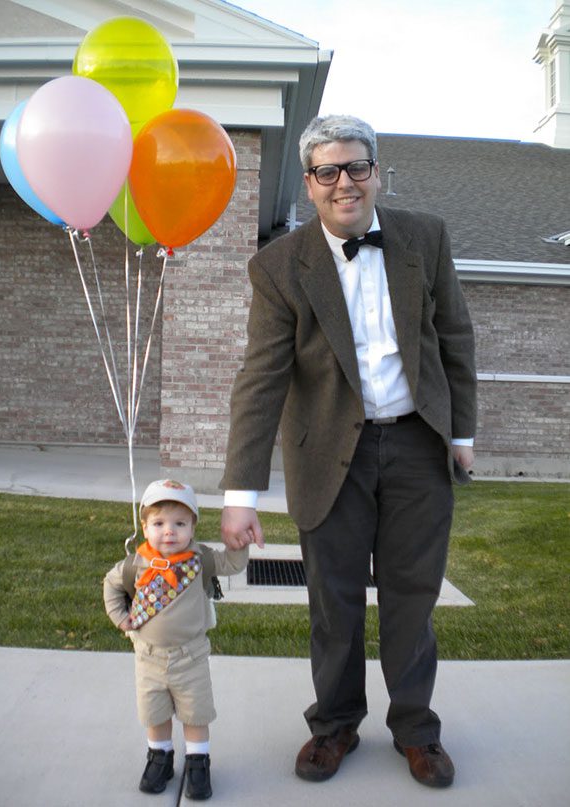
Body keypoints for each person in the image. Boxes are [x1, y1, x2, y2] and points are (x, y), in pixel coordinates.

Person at [220, 114, 476, 789]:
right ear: (309, 183)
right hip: (328, 453)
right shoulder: (279, 266)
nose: (344, 182)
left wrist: (461, 434)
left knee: (411, 598)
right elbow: (261, 378)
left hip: (417, 444)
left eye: (356, 166)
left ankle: (416, 729)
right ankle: (334, 724)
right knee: (333, 602)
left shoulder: (425, 237)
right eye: (327, 171)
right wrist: (241, 494)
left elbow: (455, 337)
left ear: (376, 172)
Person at [103, 479, 248, 799]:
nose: (169, 531)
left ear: (193, 527)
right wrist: (120, 618)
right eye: (159, 524)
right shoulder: (135, 564)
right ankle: (160, 757)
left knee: (196, 714)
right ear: (144, 527)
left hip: (190, 657)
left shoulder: (201, 559)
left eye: (180, 523)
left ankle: (198, 762)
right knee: (155, 715)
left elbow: (233, 564)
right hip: (148, 658)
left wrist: (240, 542)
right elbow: (111, 585)